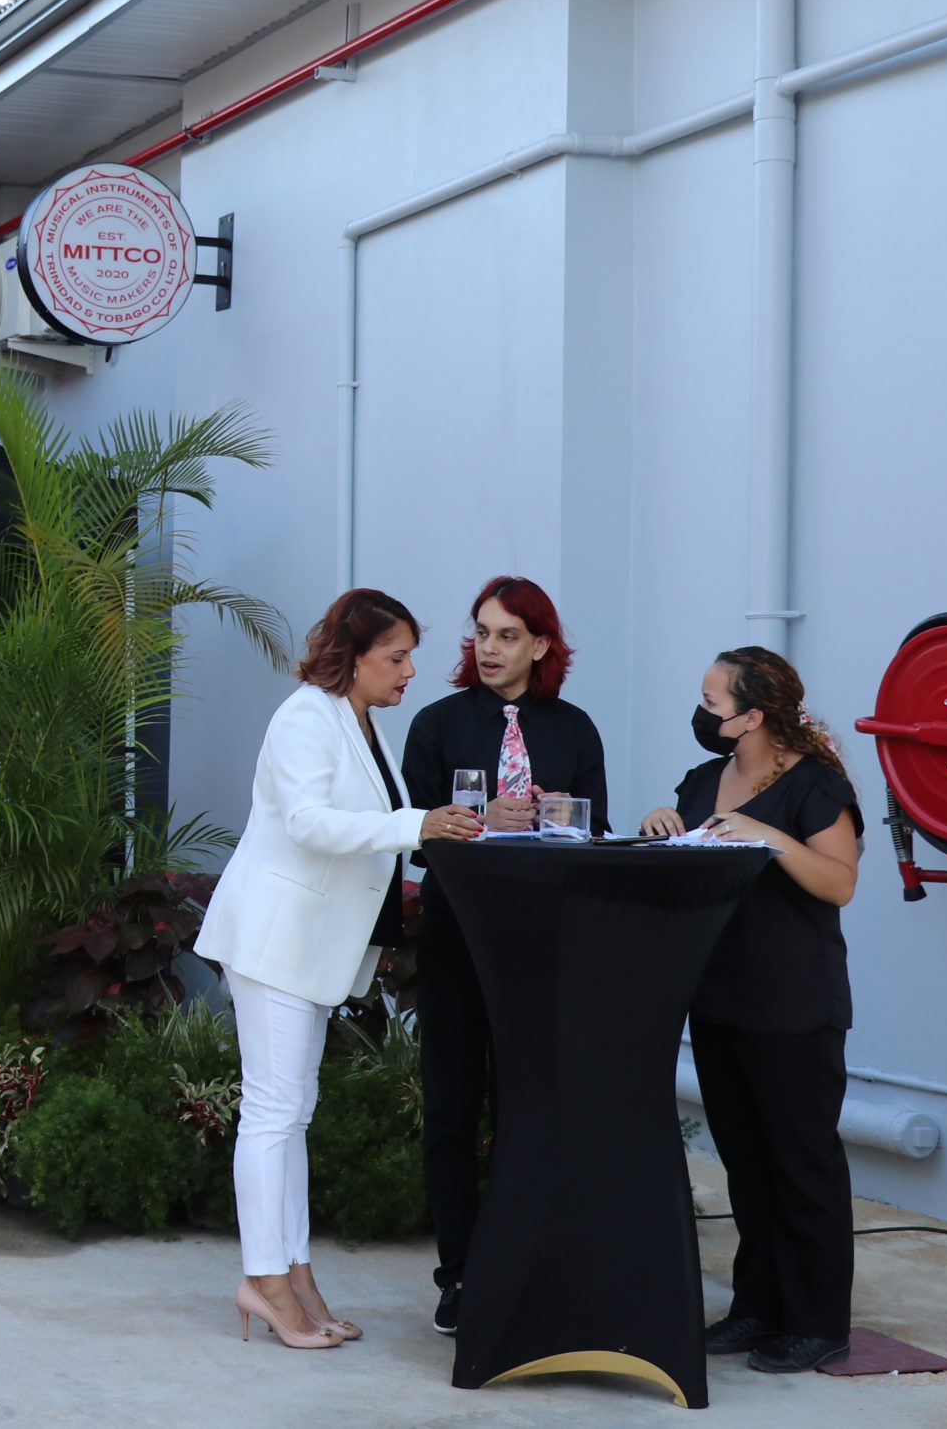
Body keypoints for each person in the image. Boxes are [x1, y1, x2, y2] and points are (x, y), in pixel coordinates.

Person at [193, 588, 483, 1351]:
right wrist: (418, 823)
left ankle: (294, 1273)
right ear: (353, 657)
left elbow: (366, 821)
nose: (410, 670)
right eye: (397, 656)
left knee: (291, 1114)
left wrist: (436, 825)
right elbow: (307, 822)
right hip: (276, 940)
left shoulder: (359, 719)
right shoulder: (304, 717)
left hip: (308, 946)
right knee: (273, 1114)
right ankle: (264, 1281)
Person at [398, 575, 611, 1335]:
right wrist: (477, 819)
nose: (489, 648)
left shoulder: (575, 729)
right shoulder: (437, 723)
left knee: (533, 1109)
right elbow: (412, 832)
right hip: (458, 936)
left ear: (541, 645)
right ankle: (459, 1275)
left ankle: (532, 1264)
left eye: (508, 635)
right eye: (482, 632)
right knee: (451, 1112)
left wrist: (558, 817)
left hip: (543, 943)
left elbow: (597, 835)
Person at [641, 647, 862, 1376]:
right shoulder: (703, 779)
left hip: (793, 1004)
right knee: (745, 1163)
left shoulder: (814, 784)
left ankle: (817, 1320)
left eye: (713, 702)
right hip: (719, 998)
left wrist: (769, 836)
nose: (702, 712)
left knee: (801, 1163)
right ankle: (758, 1305)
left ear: (753, 715)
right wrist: (663, 825)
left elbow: (839, 882)